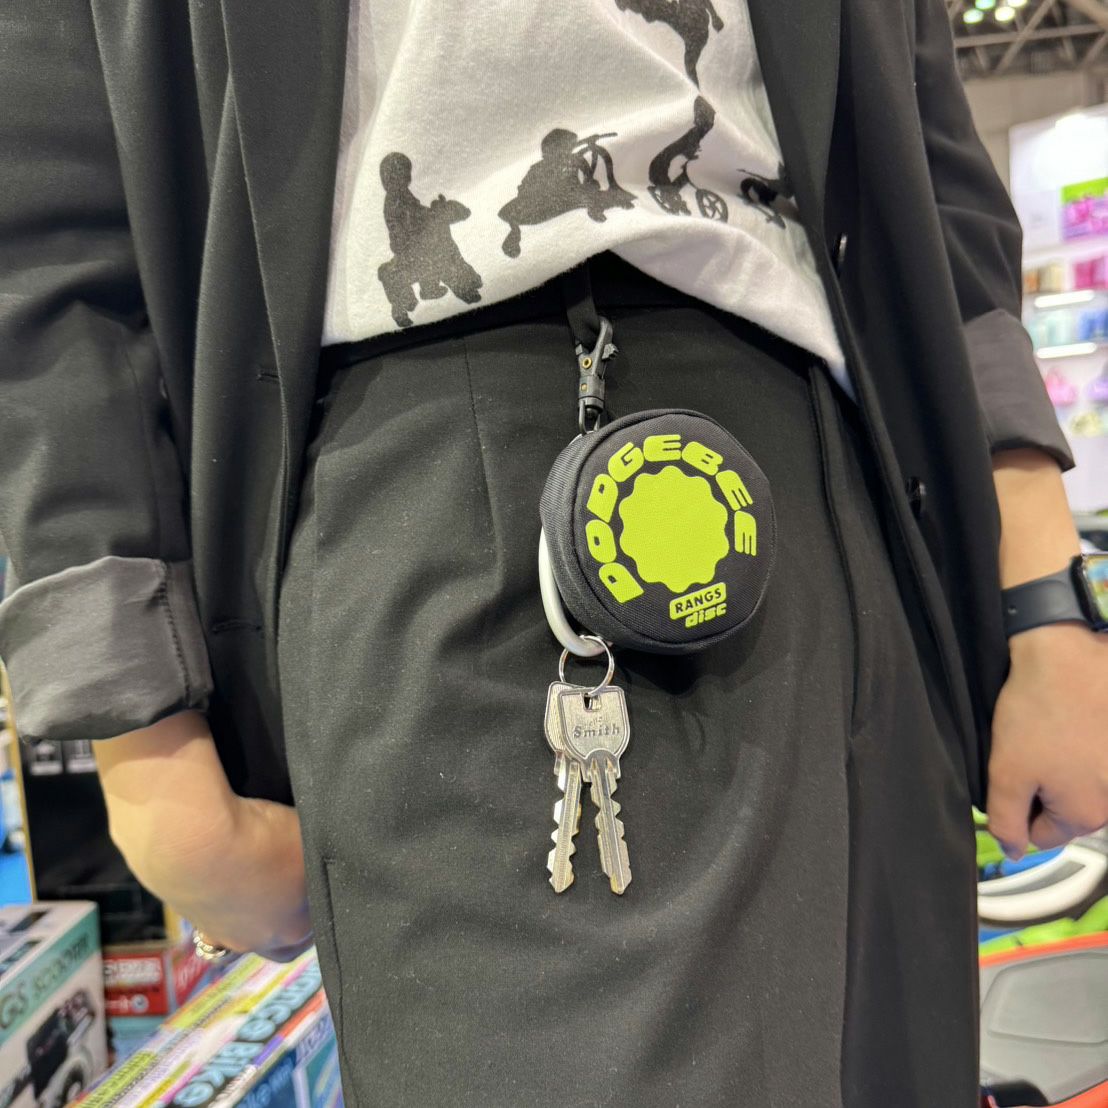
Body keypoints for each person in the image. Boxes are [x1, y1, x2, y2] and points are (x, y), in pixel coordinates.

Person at [0, 2, 1105, 1105]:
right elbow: (50, 229)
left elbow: (932, 161)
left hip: (858, 471)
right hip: (453, 472)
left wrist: (1043, 597)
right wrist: (147, 758)